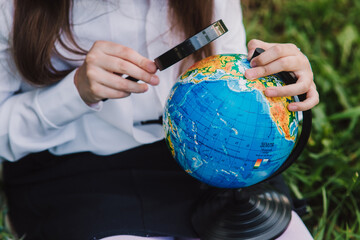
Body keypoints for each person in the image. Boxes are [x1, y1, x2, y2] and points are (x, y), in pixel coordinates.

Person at [0, 0, 319, 239]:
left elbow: (231, 75)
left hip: (204, 153)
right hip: (77, 171)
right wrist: (75, 91)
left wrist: (280, 84)